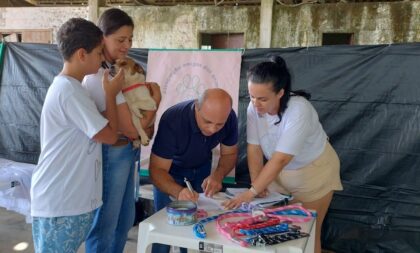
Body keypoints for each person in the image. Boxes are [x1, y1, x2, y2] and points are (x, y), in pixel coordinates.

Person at [222, 56, 343, 253]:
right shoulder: (254, 107)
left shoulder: (299, 109)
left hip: (313, 173)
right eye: (251, 96)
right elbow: (254, 147)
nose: (255, 103)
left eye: (262, 99)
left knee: (307, 234)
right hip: (278, 173)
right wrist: (257, 184)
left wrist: (251, 192)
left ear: (280, 93)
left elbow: (281, 159)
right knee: (273, 232)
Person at [30, 18, 124, 253]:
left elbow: (100, 123)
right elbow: (110, 136)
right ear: (82, 54)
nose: (103, 59)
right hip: (60, 203)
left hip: (68, 201)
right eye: (99, 53)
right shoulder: (69, 91)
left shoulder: (74, 89)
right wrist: (111, 94)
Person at [82, 8, 161, 253]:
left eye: (130, 39)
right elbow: (132, 128)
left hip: (127, 152)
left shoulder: (117, 71)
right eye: (120, 40)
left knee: (124, 218)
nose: (127, 45)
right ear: (101, 37)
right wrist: (156, 102)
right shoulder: (100, 77)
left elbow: (144, 128)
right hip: (112, 153)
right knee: (106, 221)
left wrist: (146, 120)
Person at [149, 88, 238, 253]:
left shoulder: (230, 117)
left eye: (220, 124)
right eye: (207, 121)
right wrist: (178, 191)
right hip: (170, 173)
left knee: (198, 228)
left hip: (202, 167)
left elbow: (230, 153)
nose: (212, 129)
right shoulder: (173, 119)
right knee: (164, 228)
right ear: (197, 107)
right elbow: (156, 170)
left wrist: (217, 175)